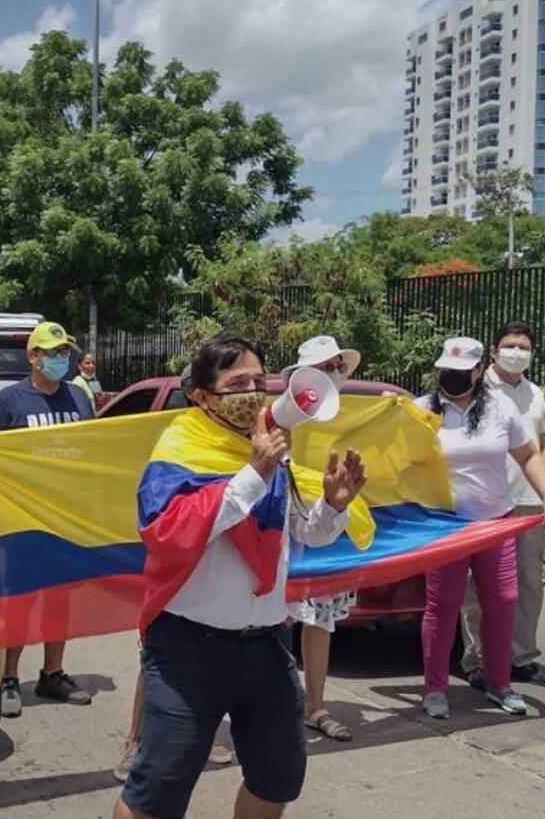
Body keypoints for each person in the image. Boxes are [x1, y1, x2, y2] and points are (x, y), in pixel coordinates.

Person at [115, 333, 366, 819]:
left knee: (277, 780)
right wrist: (253, 473)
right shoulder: (180, 448)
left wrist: (333, 505)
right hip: (189, 651)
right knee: (155, 795)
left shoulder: (271, 448)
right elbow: (168, 533)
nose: (253, 392)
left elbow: (299, 533)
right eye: (237, 383)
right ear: (202, 395)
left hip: (267, 647)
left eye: (258, 380)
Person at [415, 336, 545, 720]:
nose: (453, 378)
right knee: (442, 606)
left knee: (503, 601)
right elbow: (391, 458)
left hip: (496, 522)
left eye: (462, 372)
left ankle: (500, 683)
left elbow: (528, 455)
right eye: (447, 371)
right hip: (444, 526)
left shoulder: (501, 409)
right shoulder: (420, 412)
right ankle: (434, 689)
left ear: (479, 372)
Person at [112, 365, 233, 784]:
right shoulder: (178, 438)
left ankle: (202, 735)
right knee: (157, 664)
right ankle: (135, 742)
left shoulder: (233, 439)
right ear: (199, 395)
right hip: (173, 568)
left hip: (216, 573)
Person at [0, 321, 94, 718]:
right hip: (22, 520)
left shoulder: (80, 398)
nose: (59, 359)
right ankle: (9, 677)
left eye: (64, 352)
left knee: (60, 598)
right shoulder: (10, 401)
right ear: (32, 357)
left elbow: (93, 452)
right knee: (19, 600)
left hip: (64, 518)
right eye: (51, 353)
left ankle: (53, 673)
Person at [461, 321, 545, 689]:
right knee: (479, 587)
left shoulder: (535, 394)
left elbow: (542, 444)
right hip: (485, 502)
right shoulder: (476, 389)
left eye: (524, 346)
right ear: (494, 351)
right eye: (509, 345)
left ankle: (521, 656)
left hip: (530, 503)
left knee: (529, 583)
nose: (517, 352)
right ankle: (477, 660)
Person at [282, 334, 362, 740]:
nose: (334, 374)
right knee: (274, 621)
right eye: (325, 367)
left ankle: (314, 705)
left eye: (337, 367)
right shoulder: (284, 415)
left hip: (329, 527)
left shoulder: (357, 416)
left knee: (321, 622)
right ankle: (272, 702)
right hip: (286, 529)